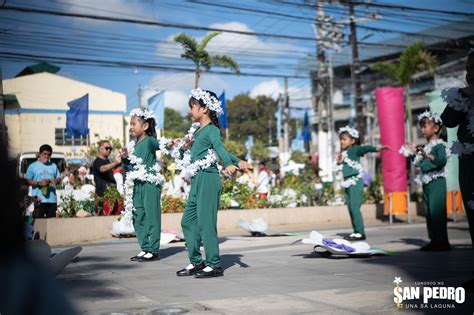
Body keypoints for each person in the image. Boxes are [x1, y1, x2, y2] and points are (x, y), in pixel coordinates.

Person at [175, 88, 251, 278]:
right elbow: (216, 151)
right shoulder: (197, 132)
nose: (190, 110)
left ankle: (214, 264)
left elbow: (219, 149)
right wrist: (238, 160)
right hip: (197, 179)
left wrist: (228, 163)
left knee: (206, 223)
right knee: (188, 222)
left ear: (205, 109)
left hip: (208, 178)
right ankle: (196, 262)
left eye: (193, 107)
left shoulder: (212, 130)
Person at [401, 111, 451, 251]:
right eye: (421, 126)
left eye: (425, 126)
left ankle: (442, 242)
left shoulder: (439, 146)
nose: (422, 129)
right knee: (429, 212)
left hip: (437, 181)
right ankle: (434, 240)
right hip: (427, 182)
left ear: (435, 128)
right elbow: (418, 164)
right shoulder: (427, 147)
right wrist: (412, 153)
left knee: (437, 212)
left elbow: (441, 161)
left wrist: (428, 157)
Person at [441, 49, 474, 247]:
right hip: (468, 164)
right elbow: (448, 120)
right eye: (468, 68)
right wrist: (464, 95)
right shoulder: (464, 96)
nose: (470, 73)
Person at [120, 108, 163, 262]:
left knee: (152, 216)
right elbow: (131, 164)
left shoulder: (150, 140)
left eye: (133, 124)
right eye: (130, 124)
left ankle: (154, 249)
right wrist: (125, 157)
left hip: (149, 182)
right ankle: (145, 248)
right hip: (136, 183)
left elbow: (161, 145)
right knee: (138, 215)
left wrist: (173, 144)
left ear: (145, 126)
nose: (131, 127)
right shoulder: (133, 144)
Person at [337, 126, 387, 241]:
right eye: (341, 139)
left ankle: (360, 232)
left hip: (355, 181)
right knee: (350, 207)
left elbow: (365, 149)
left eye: (344, 139)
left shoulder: (355, 149)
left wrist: (377, 148)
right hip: (348, 182)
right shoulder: (345, 152)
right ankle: (356, 231)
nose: (341, 141)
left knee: (354, 207)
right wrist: (339, 161)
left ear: (352, 141)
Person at [25, 144, 61, 218]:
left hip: (52, 200)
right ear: (40, 154)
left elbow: (59, 179)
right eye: (45, 154)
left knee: (52, 224)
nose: (47, 156)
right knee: (38, 223)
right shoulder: (33, 166)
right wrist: (38, 183)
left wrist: (56, 180)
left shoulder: (53, 166)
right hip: (38, 200)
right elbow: (27, 180)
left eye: (49, 154)